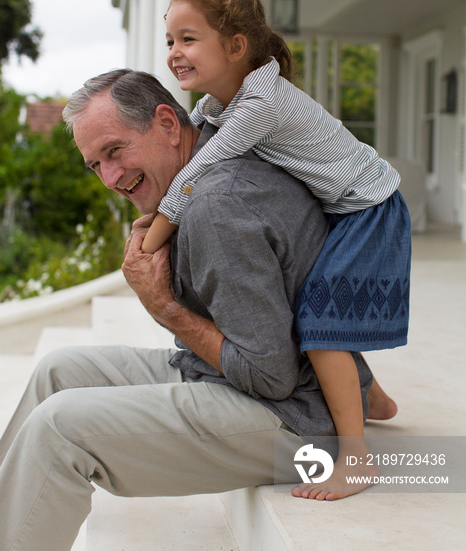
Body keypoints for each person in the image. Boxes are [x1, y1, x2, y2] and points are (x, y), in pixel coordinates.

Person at [0, 69, 377, 550]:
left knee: (61, 429)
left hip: (295, 421)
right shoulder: (206, 159)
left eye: (115, 151)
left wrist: (166, 308)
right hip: (245, 382)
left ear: (167, 123)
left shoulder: (215, 206)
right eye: (95, 164)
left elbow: (270, 377)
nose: (110, 178)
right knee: (59, 370)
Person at [141, 0, 411, 500]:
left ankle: (355, 458)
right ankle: (373, 399)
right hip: (343, 205)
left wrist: (150, 243)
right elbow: (195, 160)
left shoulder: (260, 101)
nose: (174, 53)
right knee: (317, 300)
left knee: (324, 323)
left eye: (188, 39)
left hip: (367, 205)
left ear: (237, 46)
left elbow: (198, 173)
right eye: (170, 40)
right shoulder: (219, 106)